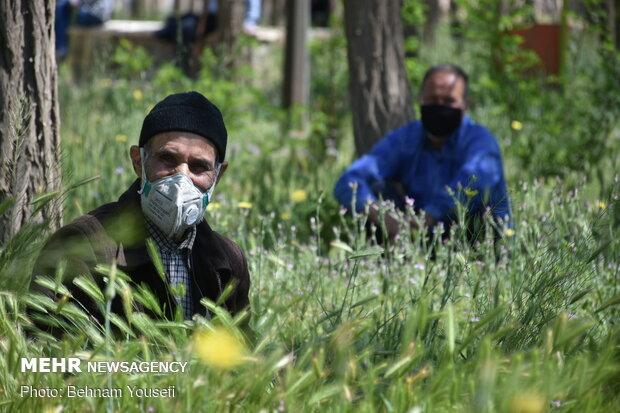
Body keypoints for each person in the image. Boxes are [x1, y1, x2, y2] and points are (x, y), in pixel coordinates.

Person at [30, 92, 250, 333]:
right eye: (167, 158)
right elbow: (53, 357)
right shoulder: (83, 246)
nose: (182, 178)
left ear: (219, 175)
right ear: (138, 161)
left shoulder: (228, 261)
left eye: (199, 166)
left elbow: (241, 354)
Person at [334, 64, 512, 241]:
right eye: (433, 100)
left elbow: (474, 182)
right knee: (376, 190)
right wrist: (381, 216)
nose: (440, 107)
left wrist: (429, 216)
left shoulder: (480, 141)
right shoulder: (406, 138)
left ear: (465, 105)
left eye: (449, 101)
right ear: (421, 99)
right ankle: (383, 262)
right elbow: (349, 181)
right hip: (421, 238)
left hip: (476, 243)